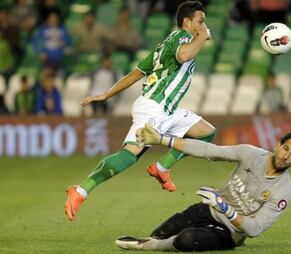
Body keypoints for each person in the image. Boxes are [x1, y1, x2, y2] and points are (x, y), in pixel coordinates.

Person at [65, 1, 216, 222]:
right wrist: (202, 36)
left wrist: (107, 94)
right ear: (187, 22)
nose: (204, 25)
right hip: (154, 107)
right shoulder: (181, 38)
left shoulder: (163, 46)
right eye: (200, 21)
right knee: (129, 154)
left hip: (168, 109)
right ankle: (80, 190)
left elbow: (136, 73)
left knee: (206, 132)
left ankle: (161, 168)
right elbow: (184, 56)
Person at [114, 123, 291, 252]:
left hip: (230, 232)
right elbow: (209, 150)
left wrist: (226, 209)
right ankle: (153, 241)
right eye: (285, 148)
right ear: (277, 145)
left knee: (186, 240)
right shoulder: (250, 154)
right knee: (161, 232)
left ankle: (152, 246)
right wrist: (163, 140)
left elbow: (255, 229)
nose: (285, 156)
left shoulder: (283, 191)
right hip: (207, 210)